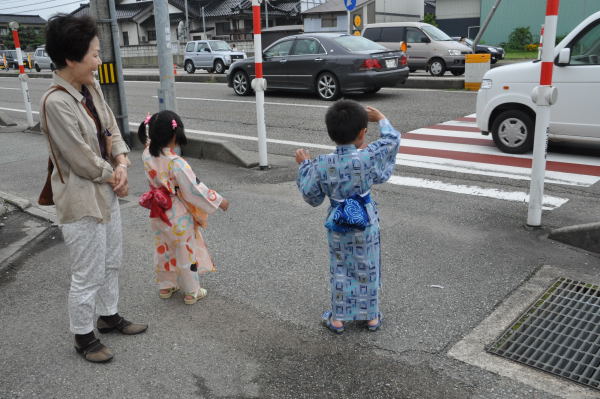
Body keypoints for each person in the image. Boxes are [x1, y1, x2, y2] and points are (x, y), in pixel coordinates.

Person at [41, 14, 147, 363]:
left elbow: (111, 127)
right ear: (71, 58)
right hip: (81, 197)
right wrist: (113, 173)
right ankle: (83, 336)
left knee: (112, 260)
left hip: (105, 188)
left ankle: (109, 314)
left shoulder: (91, 87)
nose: (99, 61)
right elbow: (79, 158)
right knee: (87, 271)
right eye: (95, 54)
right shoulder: (56, 102)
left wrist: (121, 160)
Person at [295, 100, 400, 334]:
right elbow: (391, 141)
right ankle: (372, 317)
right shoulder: (368, 157)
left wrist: (304, 166)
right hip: (366, 220)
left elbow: (311, 196)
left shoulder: (322, 164)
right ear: (363, 132)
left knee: (341, 268)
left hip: (338, 223)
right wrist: (381, 117)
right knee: (368, 265)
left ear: (331, 133)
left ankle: (338, 319)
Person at [138, 110, 229, 305]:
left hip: (157, 211)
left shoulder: (146, 154)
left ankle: (166, 286)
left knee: (163, 247)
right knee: (184, 251)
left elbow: (149, 144)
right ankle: (191, 291)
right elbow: (194, 189)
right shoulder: (176, 163)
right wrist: (219, 200)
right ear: (173, 136)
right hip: (176, 212)